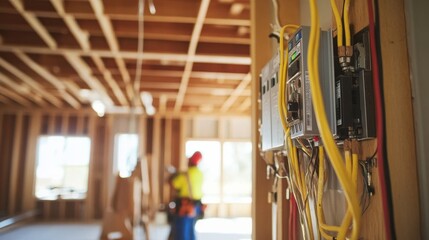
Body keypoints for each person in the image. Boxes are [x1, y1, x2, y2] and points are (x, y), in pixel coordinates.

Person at [169, 151, 204, 240]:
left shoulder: (186, 174)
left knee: (182, 230)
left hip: (184, 206)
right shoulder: (200, 174)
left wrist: (174, 175)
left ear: (190, 162)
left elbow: (174, 184)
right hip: (196, 206)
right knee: (191, 230)